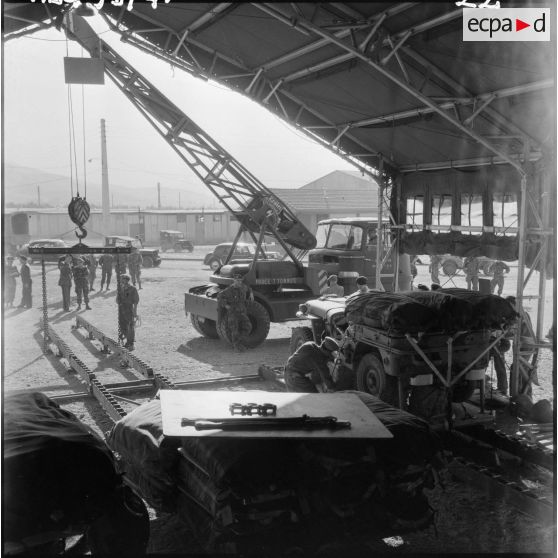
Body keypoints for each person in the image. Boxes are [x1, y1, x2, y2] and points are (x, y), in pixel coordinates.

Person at [506, 296, 537, 397]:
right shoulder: (518, 314)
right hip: (522, 345)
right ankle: (522, 394)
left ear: (514, 304)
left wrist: (507, 332)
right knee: (519, 368)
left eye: (510, 306)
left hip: (527, 345)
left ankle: (522, 395)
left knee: (518, 368)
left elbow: (516, 331)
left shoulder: (522, 314)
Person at [217, 273, 254, 351]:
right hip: (233, 313)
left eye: (240, 281)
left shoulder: (243, 287)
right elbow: (219, 297)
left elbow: (248, 288)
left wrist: (251, 293)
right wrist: (226, 305)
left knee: (248, 327)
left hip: (242, 312)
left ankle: (239, 342)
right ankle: (236, 346)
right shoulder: (229, 290)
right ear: (234, 280)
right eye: (237, 280)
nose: (239, 282)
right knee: (234, 330)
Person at [118, 274, 139, 350]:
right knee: (122, 324)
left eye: (123, 279)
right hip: (121, 308)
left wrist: (135, 311)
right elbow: (117, 299)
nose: (121, 281)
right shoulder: (121, 288)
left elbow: (136, 301)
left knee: (130, 325)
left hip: (129, 308)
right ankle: (128, 339)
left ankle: (131, 343)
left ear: (127, 280)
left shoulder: (132, 289)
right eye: (121, 279)